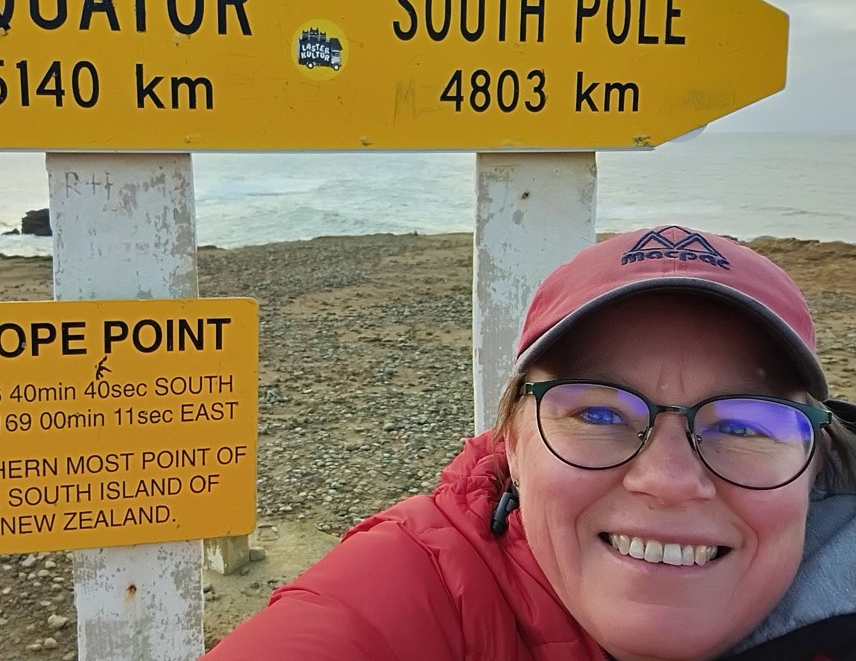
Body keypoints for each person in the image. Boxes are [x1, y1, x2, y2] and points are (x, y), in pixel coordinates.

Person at [203, 225, 856, 661]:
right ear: (511, 444)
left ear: (813, 463)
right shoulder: (418, 585)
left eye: (742, 425)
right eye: (599, 414)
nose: (668, 479)